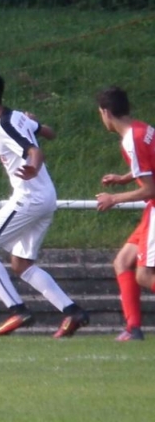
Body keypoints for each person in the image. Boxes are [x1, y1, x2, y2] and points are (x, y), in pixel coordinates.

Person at [0, 69, 89, 338]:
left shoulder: (3, 126)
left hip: (29, 197)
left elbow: (35, 151)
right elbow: (50, 133)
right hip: (46, 196)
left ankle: (17, 310)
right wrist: (34, 123)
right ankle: (73, 312)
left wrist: (32, 166)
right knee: (21, 264)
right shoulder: (17, 116)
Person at [95, 86, 155, 341]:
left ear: (106, 112)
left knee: (144, 275)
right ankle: (133, 328)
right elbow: (148, 166)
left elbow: (150, 188)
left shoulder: (132, 139)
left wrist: (114, 198)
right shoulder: (143, 129)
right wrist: (124, 178)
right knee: (123, 261)